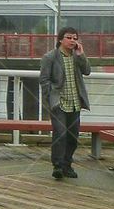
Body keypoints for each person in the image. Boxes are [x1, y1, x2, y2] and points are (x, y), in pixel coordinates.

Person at [39, 26, 91, 180]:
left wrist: (81, 55)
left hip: (75, 102)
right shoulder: (50, 57)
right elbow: (44, 79)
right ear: (60, 39)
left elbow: (87, 71)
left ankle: (67, 164)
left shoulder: (77, 56)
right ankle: (58, 165)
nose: (72, 41)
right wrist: (50, 97)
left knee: (73, 137)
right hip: (59, 102)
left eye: (75, 38)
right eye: (69, 37)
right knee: (60, 134)